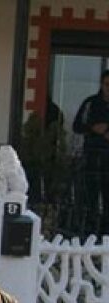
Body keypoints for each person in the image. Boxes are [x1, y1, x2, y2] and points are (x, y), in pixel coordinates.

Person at [72, 70, 109, 233]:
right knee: (90, 198)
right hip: (92, 157)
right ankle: (90, 232)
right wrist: (93, 128)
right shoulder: (91, 103)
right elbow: (77, 126)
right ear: (102, 85)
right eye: (108, 85)